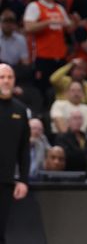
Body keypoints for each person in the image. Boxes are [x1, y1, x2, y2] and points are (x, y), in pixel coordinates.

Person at [0, 64, 29, 244]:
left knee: (1, 230)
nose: (6, 81)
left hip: (6, 181)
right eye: (2, 77)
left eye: (10, 77)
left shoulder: (20, 110)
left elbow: (24, 148)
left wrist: (23, 180)